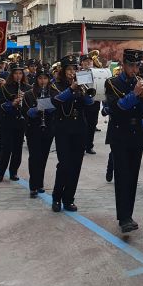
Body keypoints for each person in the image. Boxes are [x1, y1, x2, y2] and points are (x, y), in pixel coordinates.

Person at [104, 49, 143, 233]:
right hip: (119, 134)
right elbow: (117, 108)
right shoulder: (112, 83)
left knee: (133, 176)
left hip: (136, 134)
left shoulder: (139, 83)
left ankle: (129, 214)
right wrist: (134, 94)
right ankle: (123, 217)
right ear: (123, 65)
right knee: (122, 176)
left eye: (137, 66)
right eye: (131, 65)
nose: (134, 69)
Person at [50, 55, 95, 212]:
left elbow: (89, 103)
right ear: (63, 70)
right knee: (64, 164)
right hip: (63, 128)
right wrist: (72, 88)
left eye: (74, 69)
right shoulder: (56, 84)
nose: (72, 72)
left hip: (79, 128)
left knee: (76, 164)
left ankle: (69, 198)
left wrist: (86, 90)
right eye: (69, 69)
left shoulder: (82, 83)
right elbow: (56, 100)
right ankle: (56, 197)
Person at [23, 66, 56, 197]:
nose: (43, 81)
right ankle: (33, 185)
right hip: (33, 129)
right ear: (36, 79)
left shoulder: (53, 93)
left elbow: (55, 108)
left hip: (48, 128)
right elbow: (26, 112)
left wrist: (45, 106)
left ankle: (40, 182)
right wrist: (37, 109)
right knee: (34, 157)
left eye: (45, 78)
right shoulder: (29, 94)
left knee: (43, 157)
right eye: (40, 78)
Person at [0, 63, 32, 182]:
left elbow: (31, 105)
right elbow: (0, 103)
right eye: (16, 73)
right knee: (6, 148)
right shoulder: (6, 87)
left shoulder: (28, 88)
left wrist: (24, 100)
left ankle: (13, 172)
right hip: (7, 121)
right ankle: (1, 172)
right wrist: (12, 103)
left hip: (21, 122)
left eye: (20, 73)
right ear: (12, 74)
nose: (18, 76)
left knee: (17, 148)